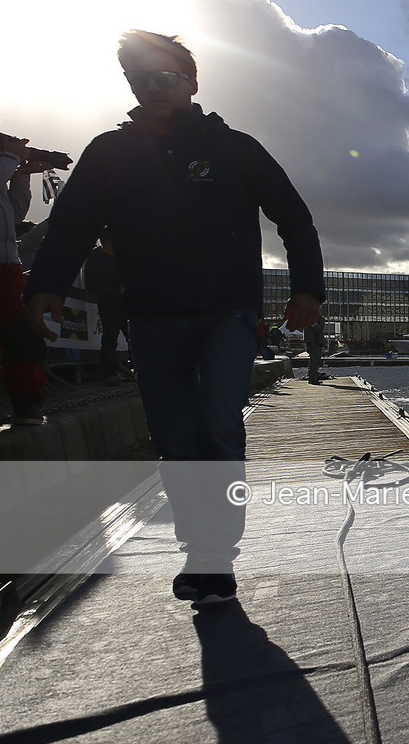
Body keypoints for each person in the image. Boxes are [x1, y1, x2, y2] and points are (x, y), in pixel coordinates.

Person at [25, 31, 325, 606]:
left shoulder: (236, 149)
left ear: (192, 83)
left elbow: (295, 218)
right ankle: (199, 548)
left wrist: (307, 288)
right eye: (140, 77)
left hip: (227, 313)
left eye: (166, 77)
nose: (153, 86)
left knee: (216, 422)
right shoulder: (108, 154)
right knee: (174, 437)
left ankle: (216, 556)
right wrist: (46, 288)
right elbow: (69, 229)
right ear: (130, 84)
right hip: (152, 315)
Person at [0, 125, 49, 425]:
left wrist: (21, 174)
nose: (1, 142)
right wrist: (9, 158)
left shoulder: (0, 172)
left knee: (22, 334)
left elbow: (15, 212)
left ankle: (27, 403)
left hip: (8, 265)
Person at [83, 232, 128, 384]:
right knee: (110, 338)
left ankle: (137, 369)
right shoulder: (96, 258)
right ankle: (110, 372)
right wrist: (113, 291)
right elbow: (91, 284)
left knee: (133, 338)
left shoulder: (121, 257)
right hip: (109, 303)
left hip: (126, 303)